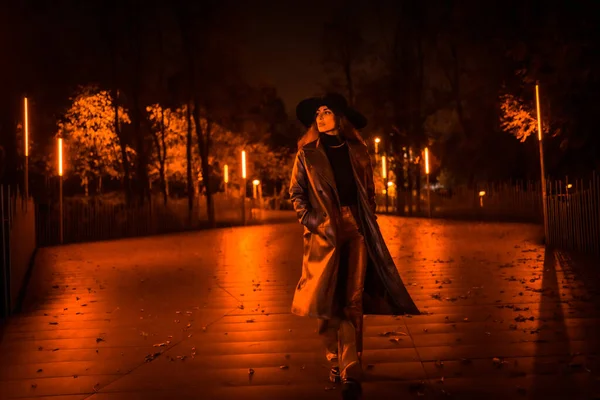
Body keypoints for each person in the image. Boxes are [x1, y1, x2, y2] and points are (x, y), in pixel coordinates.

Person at [289, 93, 420, 399]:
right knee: (325, 300)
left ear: (340, 117)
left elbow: (369, 192)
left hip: (356, 228)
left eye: (327, 112)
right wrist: (312, 221)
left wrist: (367, 219)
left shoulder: (359, 151)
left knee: (352, 300)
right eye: (317, 114)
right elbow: (296, 193)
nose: (320, 117)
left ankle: (351, 368)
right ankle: (334, 357)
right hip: (324, 230)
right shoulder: (306, 154)